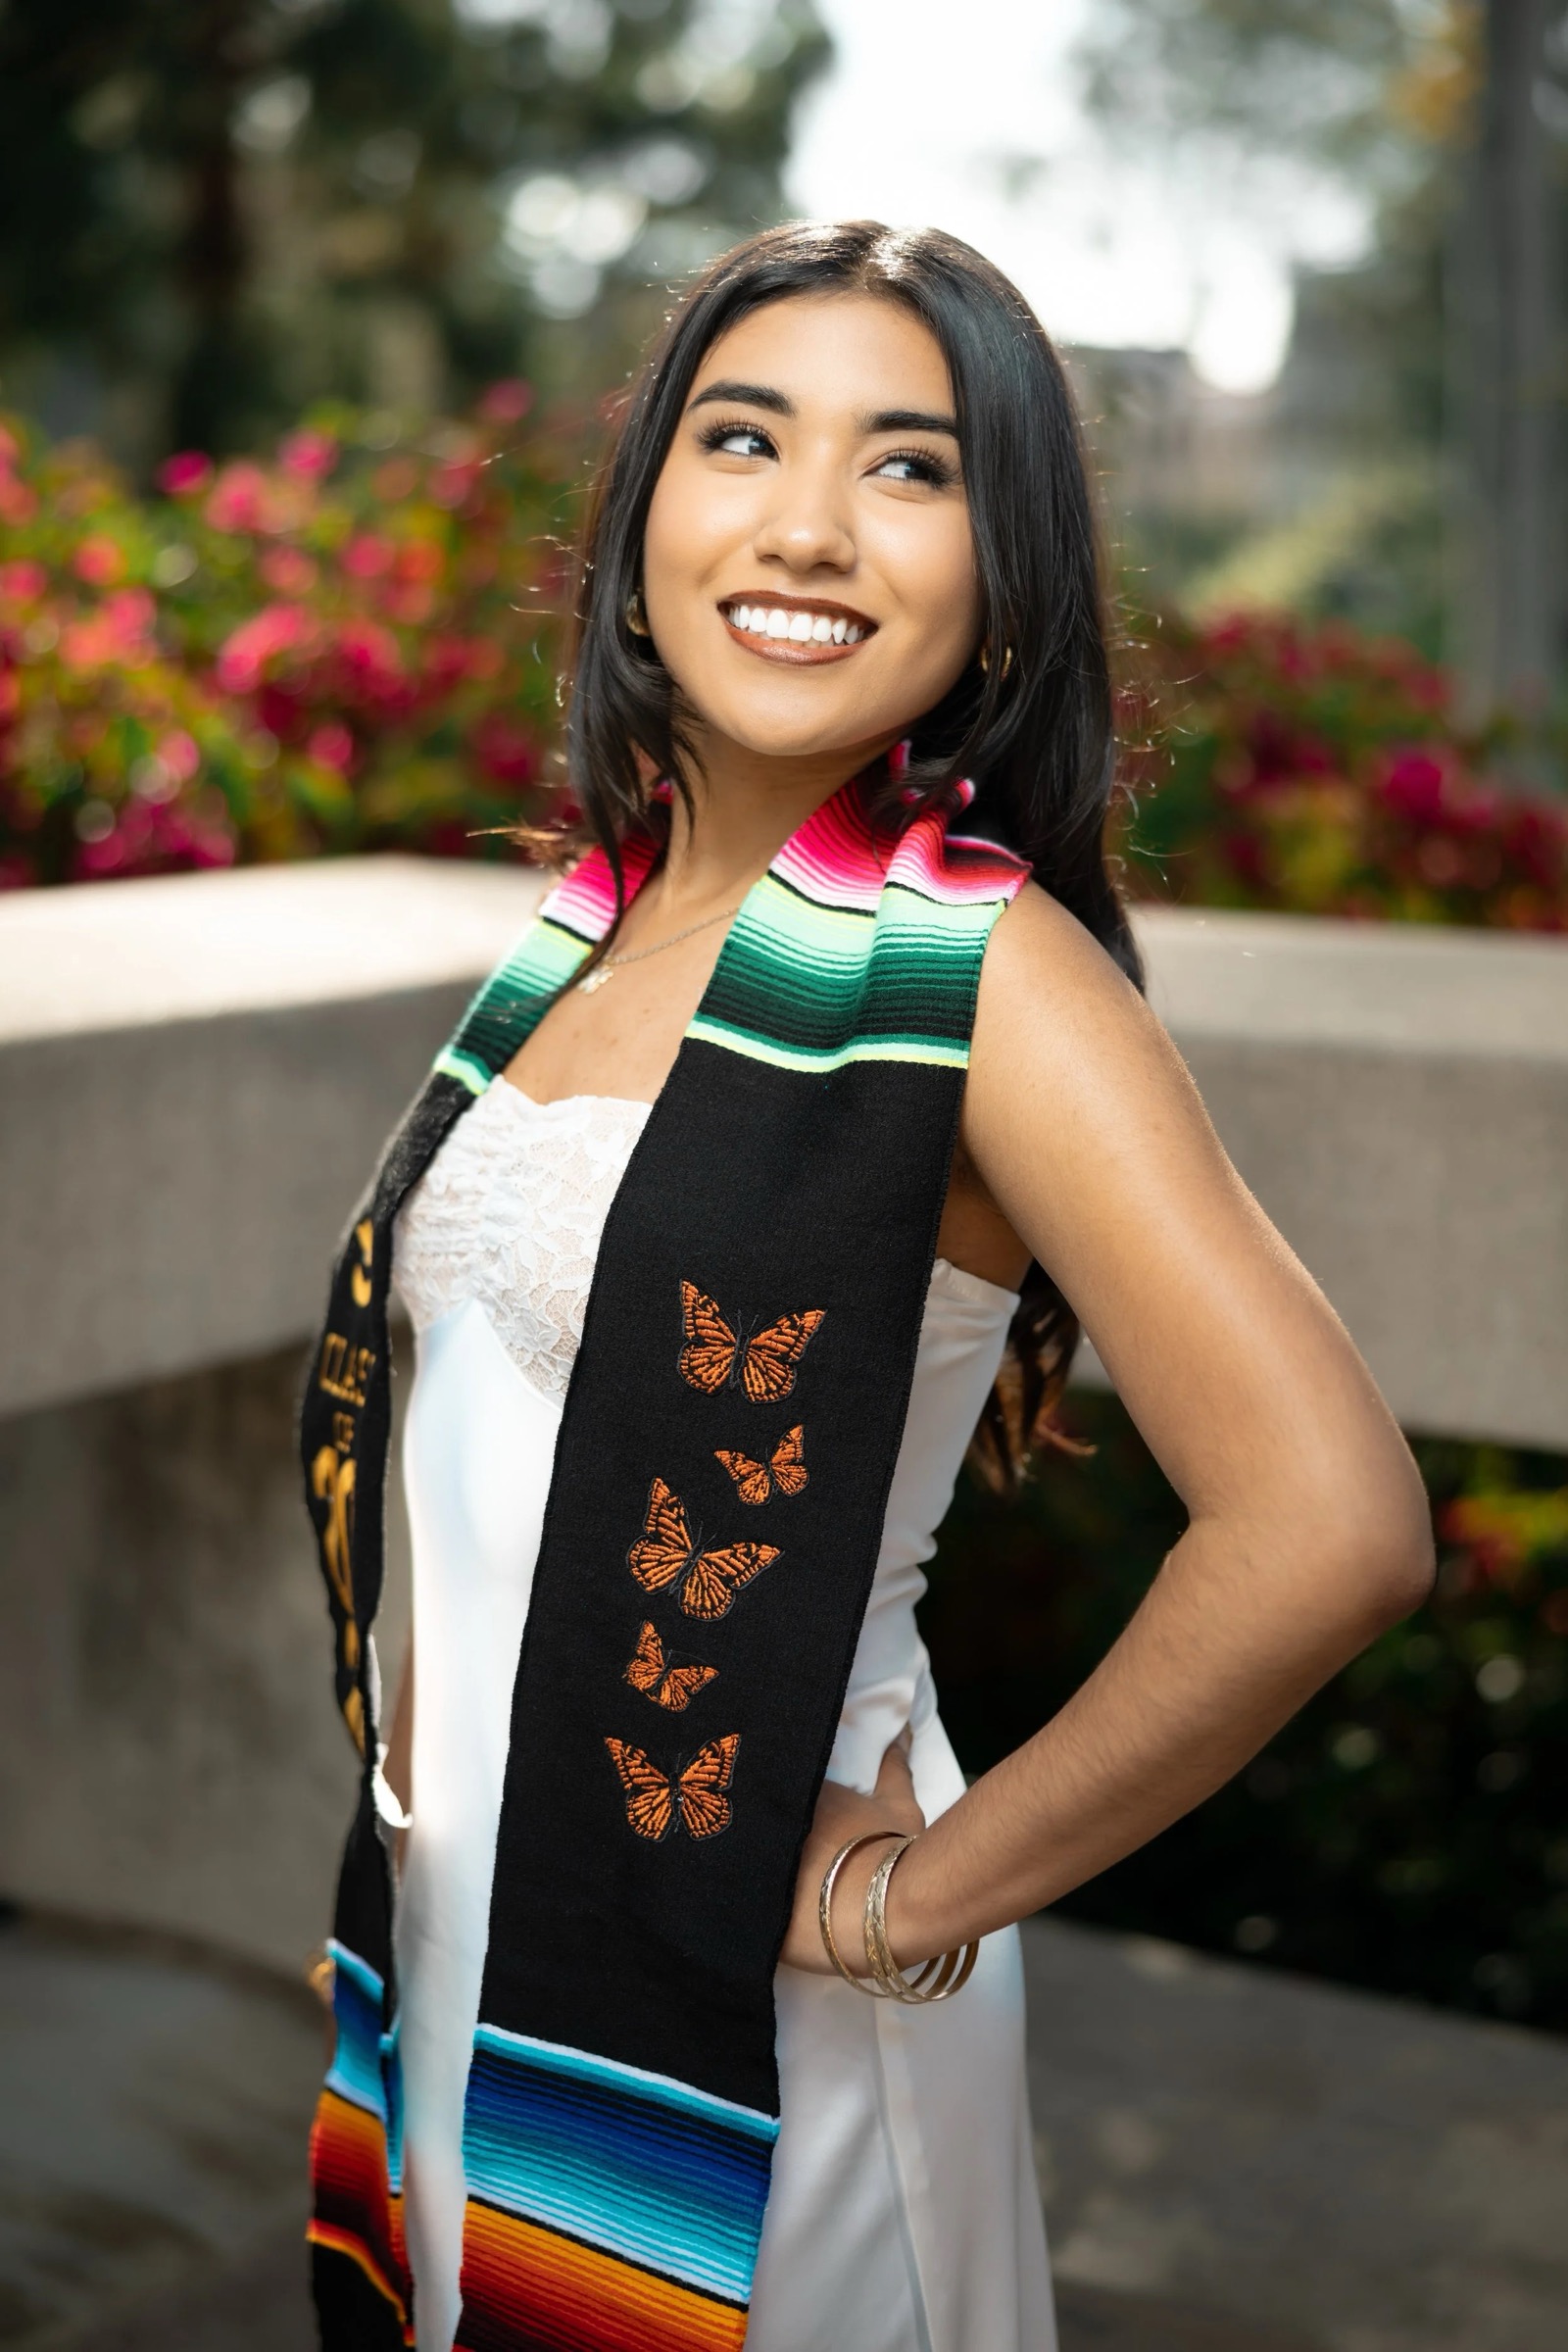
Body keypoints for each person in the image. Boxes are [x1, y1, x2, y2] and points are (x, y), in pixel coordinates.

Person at [299, 220, 1434, 2352]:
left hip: (752, 2011)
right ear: (643, 508)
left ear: (1000, 574)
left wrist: (920, 1897)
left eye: (909, 470)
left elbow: (1330, 1527)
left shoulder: (976, 975)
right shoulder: (583, 927)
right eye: (743, 437)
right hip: (472, 1935)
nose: (807, 525)